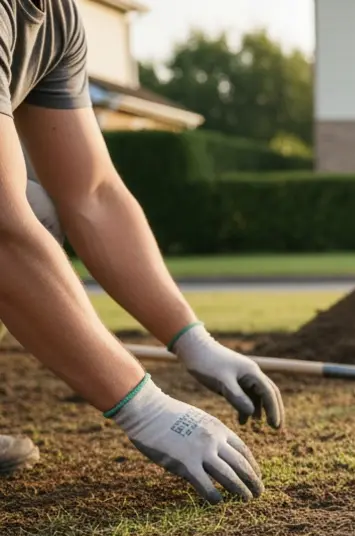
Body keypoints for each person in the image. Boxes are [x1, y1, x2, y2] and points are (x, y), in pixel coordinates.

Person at [0, 0, 283, 503]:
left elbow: (92, 194)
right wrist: (145, 407)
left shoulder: (55, 19)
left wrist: (193, 339)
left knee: (39, 206)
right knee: (19, 212)